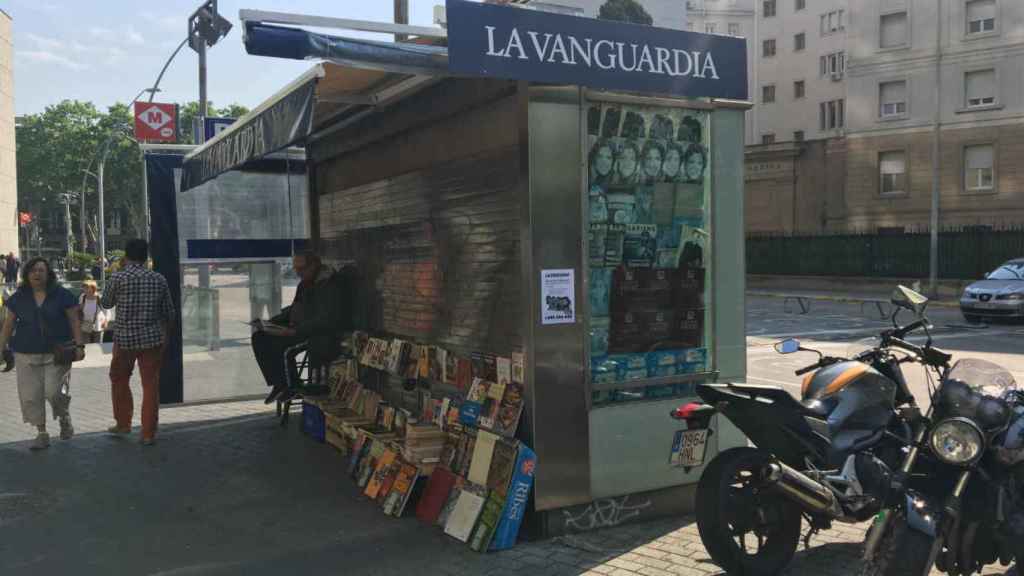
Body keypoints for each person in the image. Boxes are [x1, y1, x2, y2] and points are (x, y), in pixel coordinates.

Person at [0, 258, 84, 450]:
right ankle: (42, 433)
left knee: (54, 393)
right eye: (33, 271)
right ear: (27, 274)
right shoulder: (18, 297)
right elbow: (7, 326)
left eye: (41, 271)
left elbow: (74, 321)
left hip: (57, 353)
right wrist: (1, 348)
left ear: (48, 274)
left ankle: (64, 417)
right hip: (25, 353)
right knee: (31, 396)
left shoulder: (62, 295)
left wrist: (80, 346)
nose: (37, 274)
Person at [100, 239, 175, 446]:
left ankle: (123, 423)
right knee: (150, 385)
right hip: (152, 340)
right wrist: (165, 336)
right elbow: (169, 312)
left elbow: (106, 302)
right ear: (146, 256)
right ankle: (148, 433)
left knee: (119, 378)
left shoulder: (119, 277)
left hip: (124, 340)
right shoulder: (158, 279)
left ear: (126, 255)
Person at [251, 251, 349, 405]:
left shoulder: (330, 285)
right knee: (259, 337)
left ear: (314, 265)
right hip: (297, 326)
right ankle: (279, 383)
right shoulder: (304, 284)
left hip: (315, 332)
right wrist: (269, 323)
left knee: (281, 346)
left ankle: (291, 386)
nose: (298, 273)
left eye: (301, 269)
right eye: (296, 269)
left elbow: (326, 319)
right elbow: (294, 308)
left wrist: (296, 330)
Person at [79, 279, 108, 344]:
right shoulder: (82, 297)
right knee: (86, 345)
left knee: (97, 344)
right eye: (84, 287)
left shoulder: (99, 297)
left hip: (98, 324)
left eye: (86, 288)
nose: (84, 289)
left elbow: (106, 311)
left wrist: (106, 321)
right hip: (86, 324)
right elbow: (80, 309)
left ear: (93, 288)